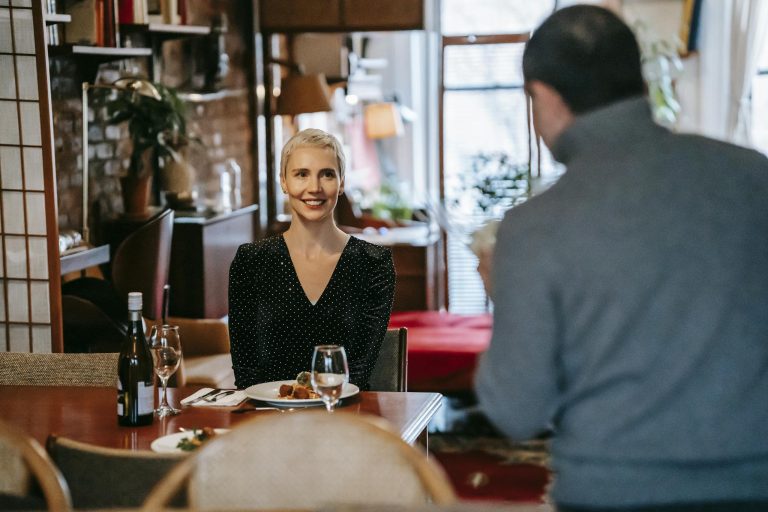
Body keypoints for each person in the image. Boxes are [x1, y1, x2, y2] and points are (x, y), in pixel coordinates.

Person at [475, 5, 768, 512]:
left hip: (614, 493)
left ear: (545, 97)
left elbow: (517, 411)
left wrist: (504, 294)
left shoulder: (535, 227)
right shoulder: (753, 178)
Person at [228, 129, 395, 390]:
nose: (314, 188)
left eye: (327, 174)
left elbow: (360, 372)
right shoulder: (251, 262)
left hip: (342, 416)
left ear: (341, 183)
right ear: (284, 181)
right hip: (268, 419)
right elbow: (245, 371)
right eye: (301, 174)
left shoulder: (373, 263)